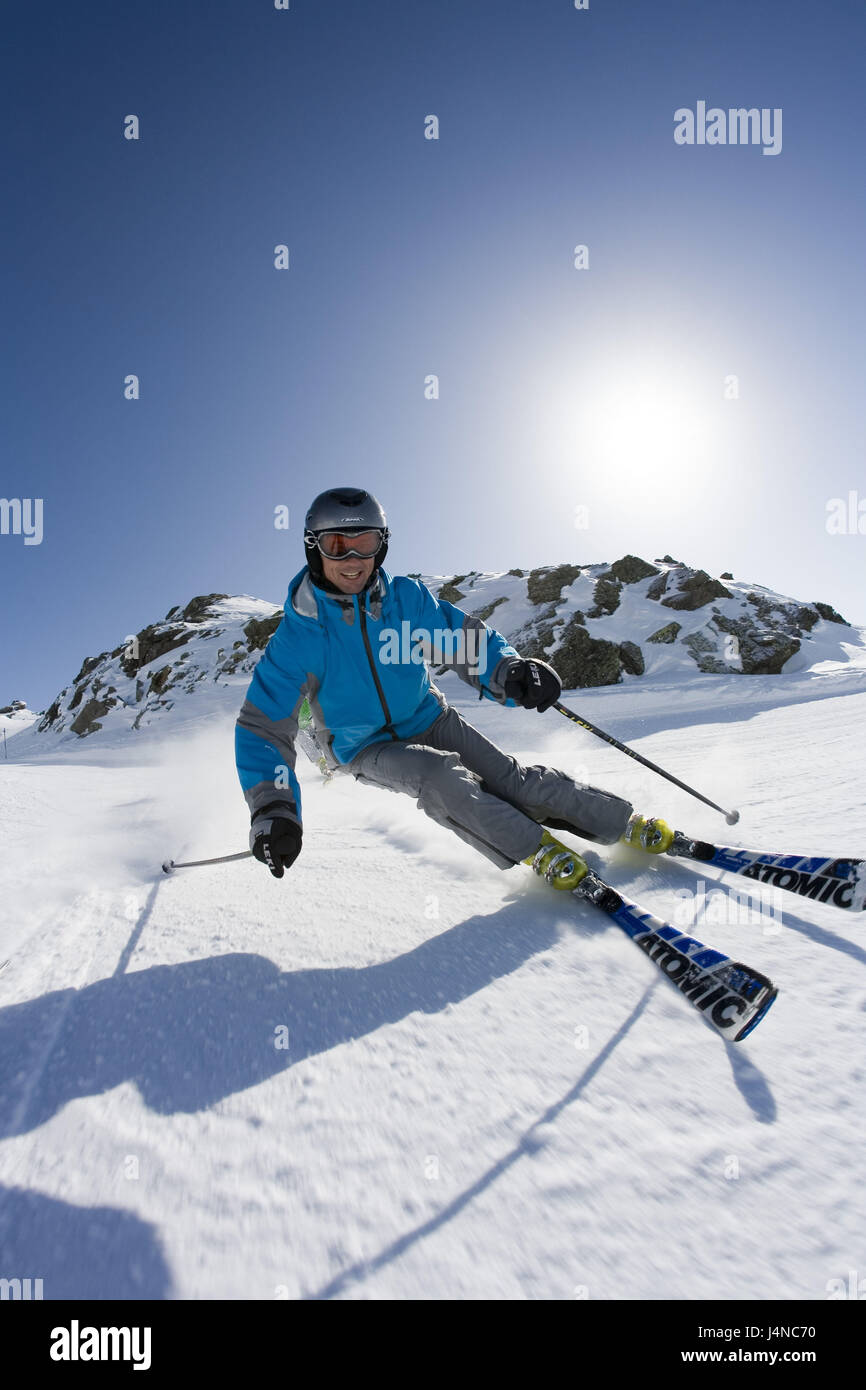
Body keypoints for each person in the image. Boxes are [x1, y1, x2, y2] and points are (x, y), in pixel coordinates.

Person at [234, 487, 669, 888]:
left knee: (514, 781)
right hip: (364, 746)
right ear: (315, 548)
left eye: (364, 543)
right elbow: (263, 729)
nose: (352, 558)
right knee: (442, 777)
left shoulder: (406, 600)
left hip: (429, 716)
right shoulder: (298, 638)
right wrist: (273, 808)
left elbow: (461, 641)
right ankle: (535, 850)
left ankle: (623, 823)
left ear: (380, 545)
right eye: (336, 545)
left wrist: (509, 670)